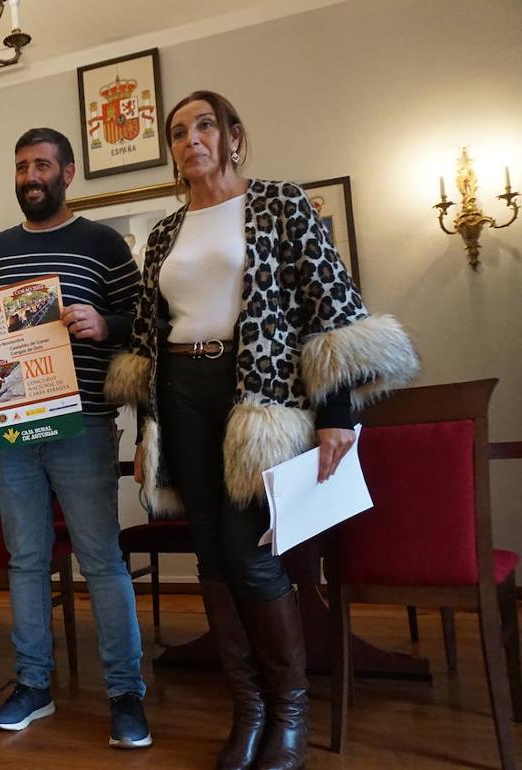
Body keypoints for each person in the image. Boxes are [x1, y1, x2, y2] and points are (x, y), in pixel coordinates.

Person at [104, 90, 419, 770]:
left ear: (233, 135)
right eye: (180, 131)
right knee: (211, 558)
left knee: (251, 555)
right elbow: (144, 338)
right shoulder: (162, 233)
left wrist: (338, 415)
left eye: (206, 125)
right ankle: (246, 712)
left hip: (257, 401)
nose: (193, 139)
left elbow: (331, 306)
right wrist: (143, 437)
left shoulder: (282, 203)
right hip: (180, 394)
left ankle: (290, 712)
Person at [0, 128, 151, 748]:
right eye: (22, 166)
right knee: (25, 561)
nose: (31, 176)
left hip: (83, 423)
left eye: (43, 165)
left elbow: (145, 326)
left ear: (69, 173)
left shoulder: (104, 243)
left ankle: (125, 692)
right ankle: (31, 685)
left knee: (102, 560)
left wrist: (105, 321)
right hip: (9, 430)